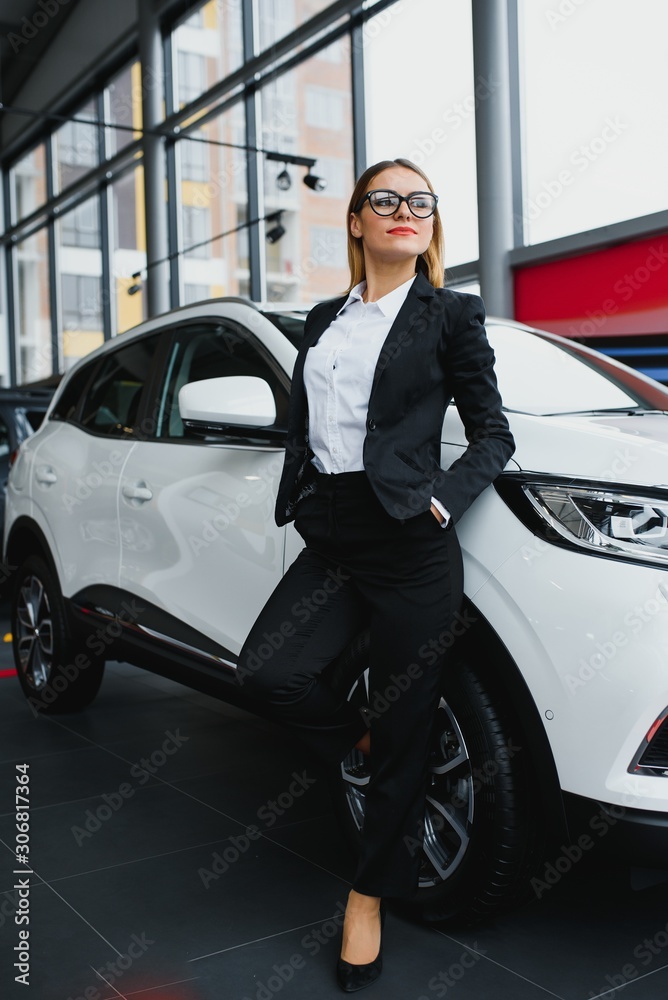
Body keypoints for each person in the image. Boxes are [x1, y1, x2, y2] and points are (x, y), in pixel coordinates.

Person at [237, 157, 515, 992]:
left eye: (419, 201)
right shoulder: (325, 320)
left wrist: (440, 503)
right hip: (331, 534)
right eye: (385, 199)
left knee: (408, 733)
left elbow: (494, 435)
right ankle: (356, 740)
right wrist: (304, 493)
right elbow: (309, 427)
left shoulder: (451, 317)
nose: (404, 210)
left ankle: (367, 896)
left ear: (429, 226)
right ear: (357, 221)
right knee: (269, 674)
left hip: (409, 544)